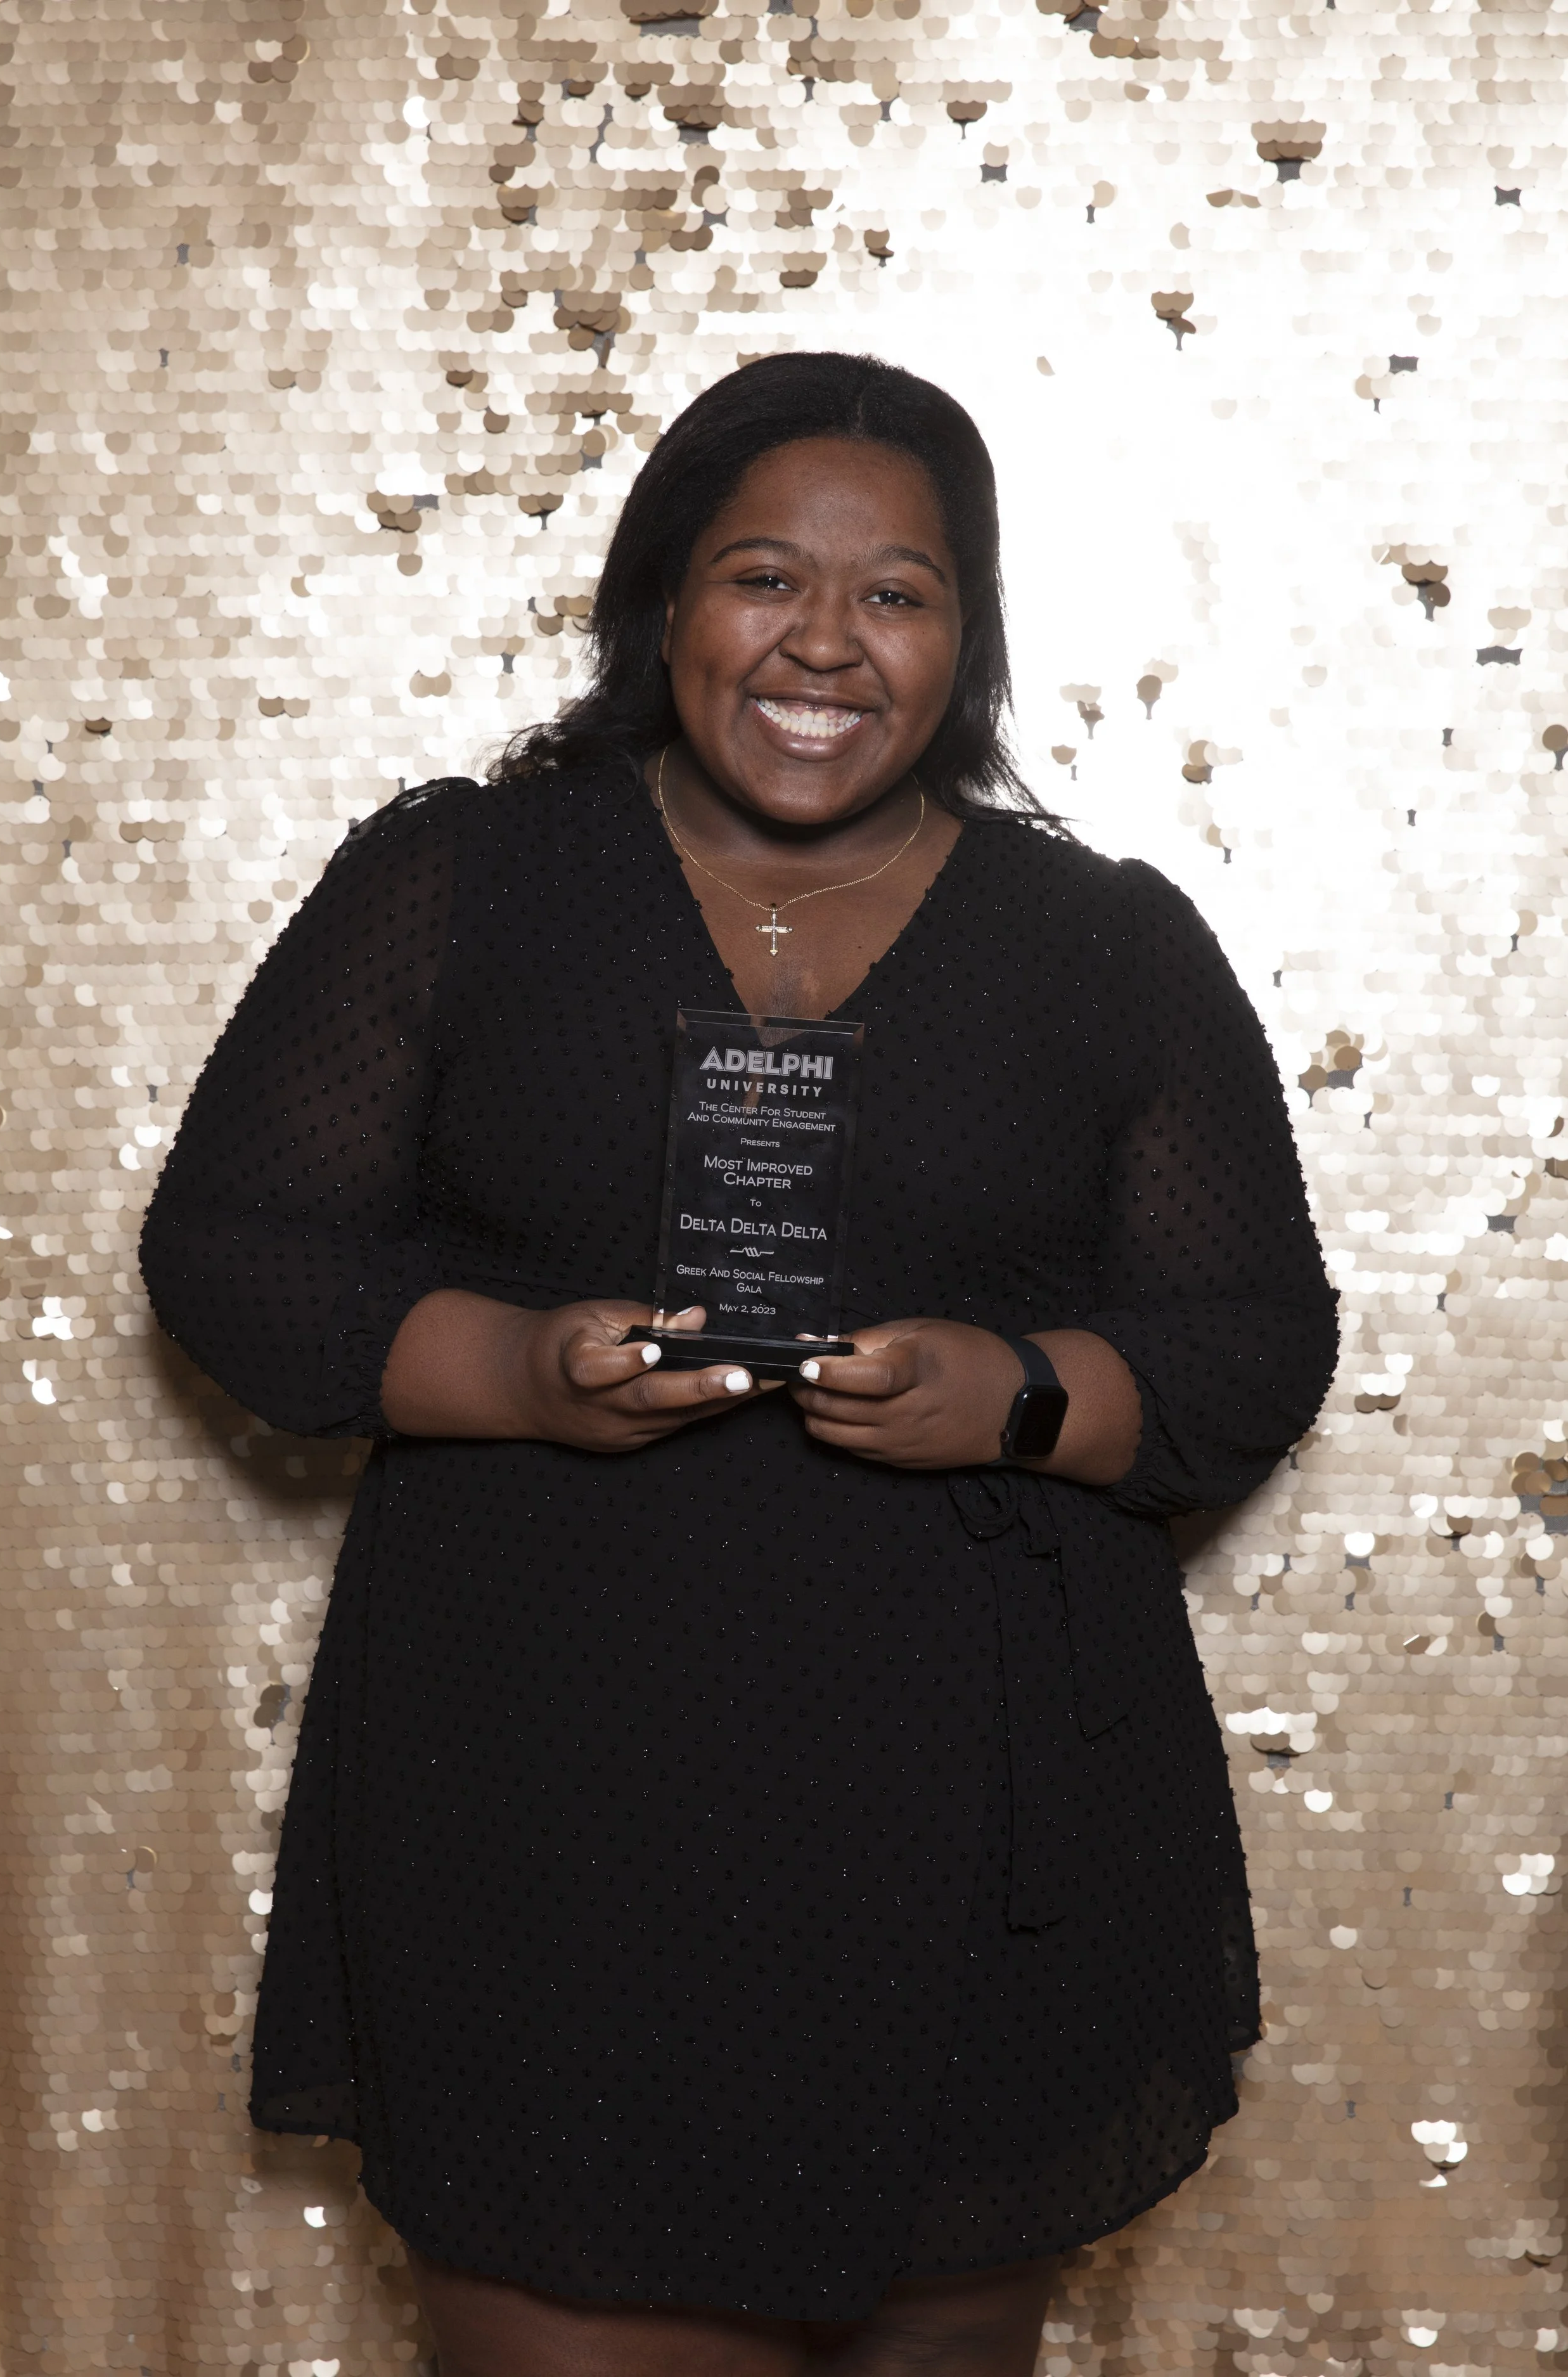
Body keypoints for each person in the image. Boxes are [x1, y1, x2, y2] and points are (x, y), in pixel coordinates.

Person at [140, 351, 1339, 2377]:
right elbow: (236, 1252)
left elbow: (1253, 1336)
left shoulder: (1106, 943)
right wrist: (513, 1366)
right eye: (760, 576)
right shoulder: (466, 884)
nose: (823, 644)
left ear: (966, 638)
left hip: (978, 1817)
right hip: (541, 1798)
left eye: (897, 595)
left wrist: (1022, 1393)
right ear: (660, 603)